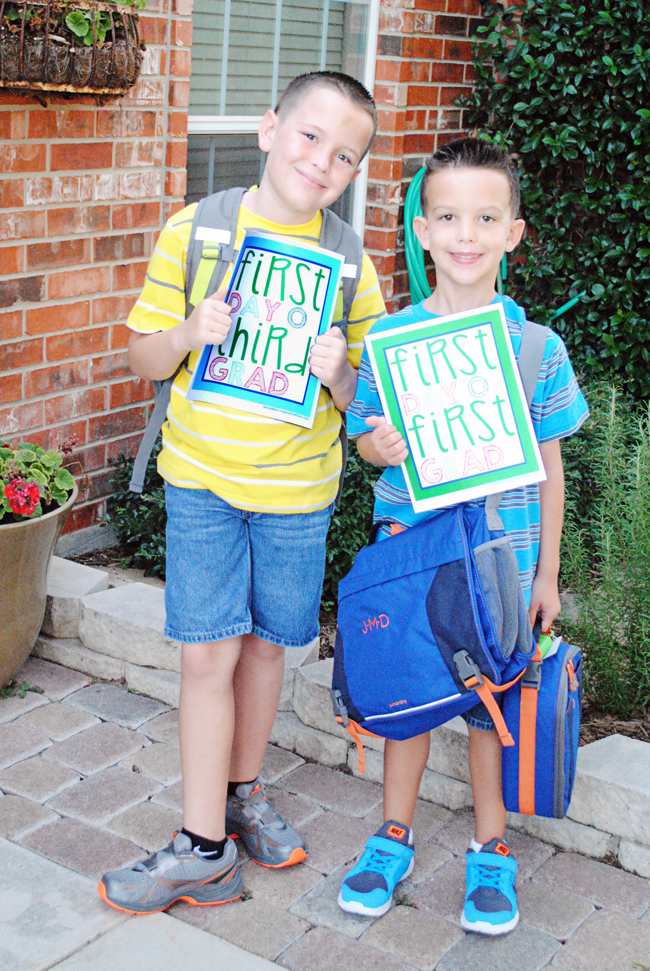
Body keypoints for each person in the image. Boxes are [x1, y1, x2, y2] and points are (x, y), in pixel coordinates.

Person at [97, 71, 386, 915]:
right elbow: (142, 357)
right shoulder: (197, 231)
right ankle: (202, 848)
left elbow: (368, 405)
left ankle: (241, 793)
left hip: (299, 491)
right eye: (308, 137)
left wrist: (341, 378)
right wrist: (190, 332)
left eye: (344, 156)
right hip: (204, 483)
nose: (321, 162)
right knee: (205, 653)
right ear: (267, 130)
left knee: (266, 648)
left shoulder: (348, 263)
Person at [339, 137, 588, 936]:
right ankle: (393, 835)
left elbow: (550, 468)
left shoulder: (535, 348)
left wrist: (547, 574)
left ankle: (491, 847)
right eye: (447, 216)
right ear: (421, 228)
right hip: (413, 550)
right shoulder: (390, 342)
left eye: (485, 217)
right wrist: (374, 445)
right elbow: (365, 435)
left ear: (512, 231)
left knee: (492, 709)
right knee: (411, 695)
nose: (465, 234)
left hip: (507, 559)